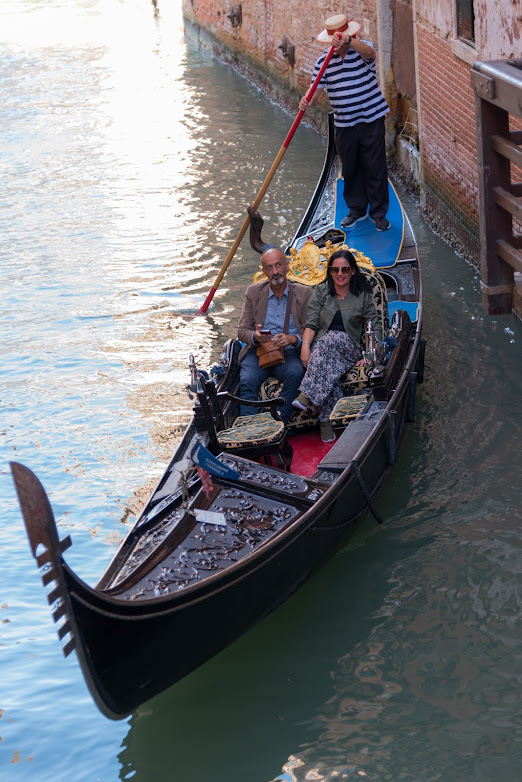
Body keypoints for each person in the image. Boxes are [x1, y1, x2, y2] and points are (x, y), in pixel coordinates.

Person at [299, 14, 390, 232]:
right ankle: (357, 210)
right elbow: (315, 92)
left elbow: (370, 53)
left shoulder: (363, 49)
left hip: (371, 119)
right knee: (350, 169)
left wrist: (348, 41)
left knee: (375, 167)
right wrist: (306, 100)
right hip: (344, 123)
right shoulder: (323, 62)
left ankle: (379, 214)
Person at [292, 249, 382, 442]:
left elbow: (374, 324)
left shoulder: (362, 295)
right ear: (330, 272)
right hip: (323, 349)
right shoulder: (320, 292)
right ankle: (326, 422)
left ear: (352, 271)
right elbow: (311, 324)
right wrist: (305, 347)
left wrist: (369, 355)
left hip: (350, 347)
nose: (340, 274)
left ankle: (307, 394)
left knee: (329, 340)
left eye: (345, 269)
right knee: (326, 360)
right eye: (335, 270)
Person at [237, 247, 312, 424]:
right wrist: (255, 336)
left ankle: (278, 423)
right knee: (247, 379)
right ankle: (247, 428)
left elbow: (311, 328)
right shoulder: (253, 292)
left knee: (295, 373)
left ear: (287, 265)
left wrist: (293, 339)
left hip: (289, 352)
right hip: (259, 352)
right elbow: (242, 331)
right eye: (269, 267)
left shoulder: (304, 293)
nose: (275, 271)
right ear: (264, 271)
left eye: (278, 265)